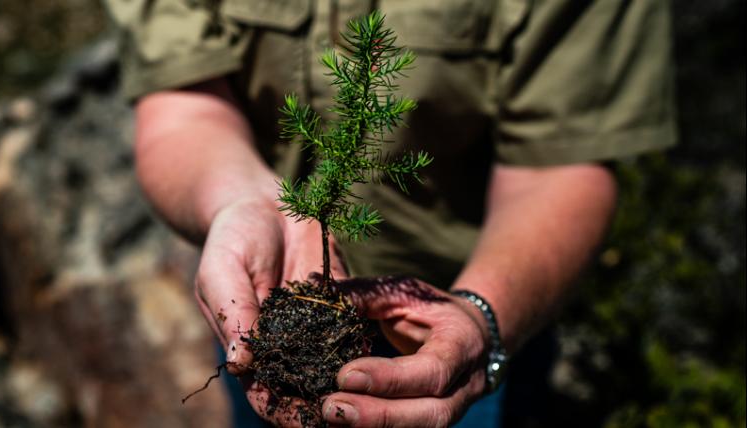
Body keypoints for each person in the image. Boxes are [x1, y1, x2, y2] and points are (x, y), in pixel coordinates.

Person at [105, 0, 676, 426]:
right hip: (267, 300)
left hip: (462, 331)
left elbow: (563, 163)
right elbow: (182, 107)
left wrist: (483, 319)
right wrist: (238, 198)